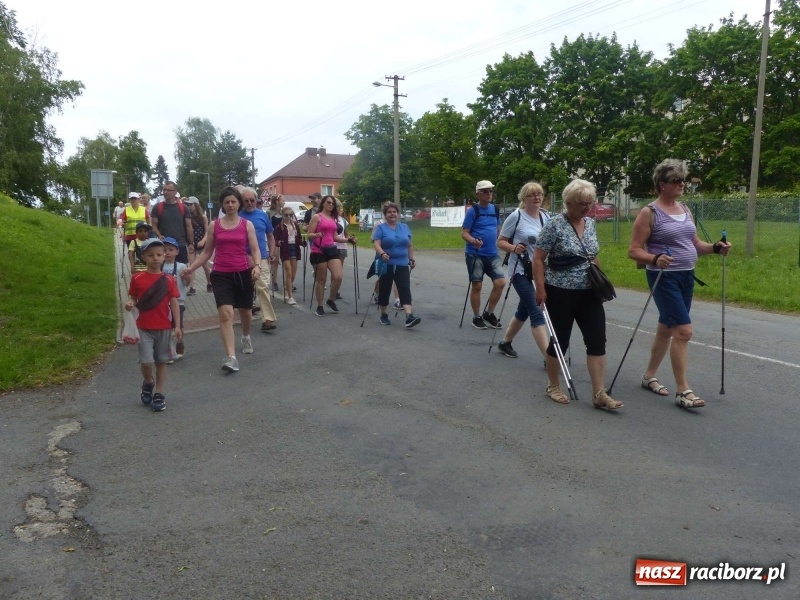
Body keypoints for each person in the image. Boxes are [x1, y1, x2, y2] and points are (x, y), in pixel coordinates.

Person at [628, 159, 731, 408]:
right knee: (683, 331)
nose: (682, 184)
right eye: (677, 180)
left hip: (687, 276)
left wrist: (716, 248)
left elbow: (694, 244)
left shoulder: (684, 209)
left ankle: (649, 376)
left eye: (683, 180)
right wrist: (654, 258)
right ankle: (683, 391)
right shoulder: (649, 212)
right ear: (662, 184)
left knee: (667, 327)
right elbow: (634, 251)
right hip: (664, 277)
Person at [533, 179, 623, 410]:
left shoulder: (591, 224)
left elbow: (593, 255)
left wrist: (600, 281)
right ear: (569, 202)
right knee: (560, 341)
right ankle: (553, 385)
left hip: (589, 292)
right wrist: (541, 289)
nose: (587, 208)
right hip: (560, 292)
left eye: (590, 203)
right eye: (582, 203)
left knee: (597, 340)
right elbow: (538, 259)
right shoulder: (554, 225)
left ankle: (599, 393)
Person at [182, 187, 261, 373]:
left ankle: (246, 335)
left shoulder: (246, 225)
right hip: (221, 274)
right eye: (227, 202)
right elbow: (207, 252)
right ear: (223, 205)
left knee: (246, 313)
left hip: (243, 273)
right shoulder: (214, 225)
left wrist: (256, 266)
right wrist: (191, 268)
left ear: (239, 203)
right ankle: (231, 357)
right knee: (226, 314)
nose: (231, 205)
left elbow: (255, 250)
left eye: (234, 201)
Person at [495, 181, 551, 360]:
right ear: (523, 199)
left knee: (524, 310)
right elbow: (500, 241)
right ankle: (549, 358)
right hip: (520, 271)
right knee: (536, 310)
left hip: (539, 271)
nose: (536, 198)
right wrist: (513, 248)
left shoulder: (545, 217)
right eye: (532, 195)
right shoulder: (516, 216)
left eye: (539, 194)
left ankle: (505, 342)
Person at [125, 238, 181, 412]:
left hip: (164, 327)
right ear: (144, 257)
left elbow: (174, 303)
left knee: (161, 362)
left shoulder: (169, 280)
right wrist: (130, 303)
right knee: (146, 362)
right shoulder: (137, 278)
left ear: (164, 256)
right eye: (151, 255)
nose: (155, 258)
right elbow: (133, 297)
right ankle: (148, 381)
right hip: (144, 328)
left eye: (159, 254)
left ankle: (159, 393)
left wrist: (177, 325)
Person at [461, 180, 505, 330]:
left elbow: (498, 230)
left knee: (500, 283)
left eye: (491, 191)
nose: (489, 194)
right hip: (475, 253)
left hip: (492, 253)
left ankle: (489, 313)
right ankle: (476, 317)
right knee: (477, 285)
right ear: (478, 194)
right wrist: (473, 241)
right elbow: (464, 233)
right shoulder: (473, 210)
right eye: (485, 191)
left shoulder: (495, 209)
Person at [372, 201, 421, 328]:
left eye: (394, 212)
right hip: (386, 264)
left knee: (404, 289)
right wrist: (382, 254)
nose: (392, 214)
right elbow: (376, 243)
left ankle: (409, 316)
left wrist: (411, 259)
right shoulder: (381, 228)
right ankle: (383, 314)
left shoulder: (404, 227)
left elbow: (409, 245)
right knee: (385, 290)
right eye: (389, 212)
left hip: (402, 264)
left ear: (398, 214)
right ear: (385, 214)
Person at [239, 186, 279, 332]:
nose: (250, 203)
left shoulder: (262, 215)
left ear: (256, 200)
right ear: (242, 202)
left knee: (263, 287)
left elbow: (270, 236)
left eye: (252, 200)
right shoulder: (238, 216)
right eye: (246, 200)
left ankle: (267, 319)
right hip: (241, 258)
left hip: (260, 257)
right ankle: (245, 313)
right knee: (245, 289)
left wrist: (272, 253)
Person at [307, 195, 352, 316]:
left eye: (332, 203)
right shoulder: (317, 217)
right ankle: (320, 306)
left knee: (338, 277)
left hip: (331, 250)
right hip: (319, 250)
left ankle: (331, 300)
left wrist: (348, 240)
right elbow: (309, 234)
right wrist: (316, 235)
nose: (331, 205)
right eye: (328, 202)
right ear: (323, 203)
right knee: (321, 280)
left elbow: (334, 237)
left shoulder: (333, 218)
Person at [151, 181, 194, 264]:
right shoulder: (157, 207)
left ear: (175, 192)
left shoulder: (183, 208)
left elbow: (189, 227)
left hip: (180, 245)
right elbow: (154, 226)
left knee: (181, 270)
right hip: (164, 245)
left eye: (169, 190)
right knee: (163, 271)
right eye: (164, 190)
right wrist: (159, 235)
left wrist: (191, 243)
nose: (166, 192)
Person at [162, 237, 190, 360]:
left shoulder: (181, 266)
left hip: (178, 302)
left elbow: (187, 283)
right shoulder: (159, 266)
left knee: (178, 325)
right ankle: (168, 348)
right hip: (162, 302)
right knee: (165, 326)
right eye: (164, 250)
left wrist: (186, 277)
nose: (167, 252)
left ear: (177, 252)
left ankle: (180, 343)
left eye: (171, 250)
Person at [274, 205, 305, 305]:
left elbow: (299, 238)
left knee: (294, 273)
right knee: (288, 272)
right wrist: (279, 243)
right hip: (285, 250)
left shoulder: (295, 225)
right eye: (286, 215)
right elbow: (275, 240)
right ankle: (290, 297)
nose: (288, 217)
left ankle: (287, 289)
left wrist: (302, 242)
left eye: (290, 215)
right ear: (282, 215)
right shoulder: (280, 227)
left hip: (294, 249)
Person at [182, 196, 209, 295]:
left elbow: (207, 232)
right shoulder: (187, 218)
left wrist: (203, 240)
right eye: (187, 205)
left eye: (191, 204)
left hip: (202, 244)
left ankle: (209, 283)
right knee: (192, 265)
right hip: (191, 244)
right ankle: (192, 287)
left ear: (196, 205)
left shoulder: (203, 217)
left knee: (205, 265)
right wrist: (190, 242)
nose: (189, 206)